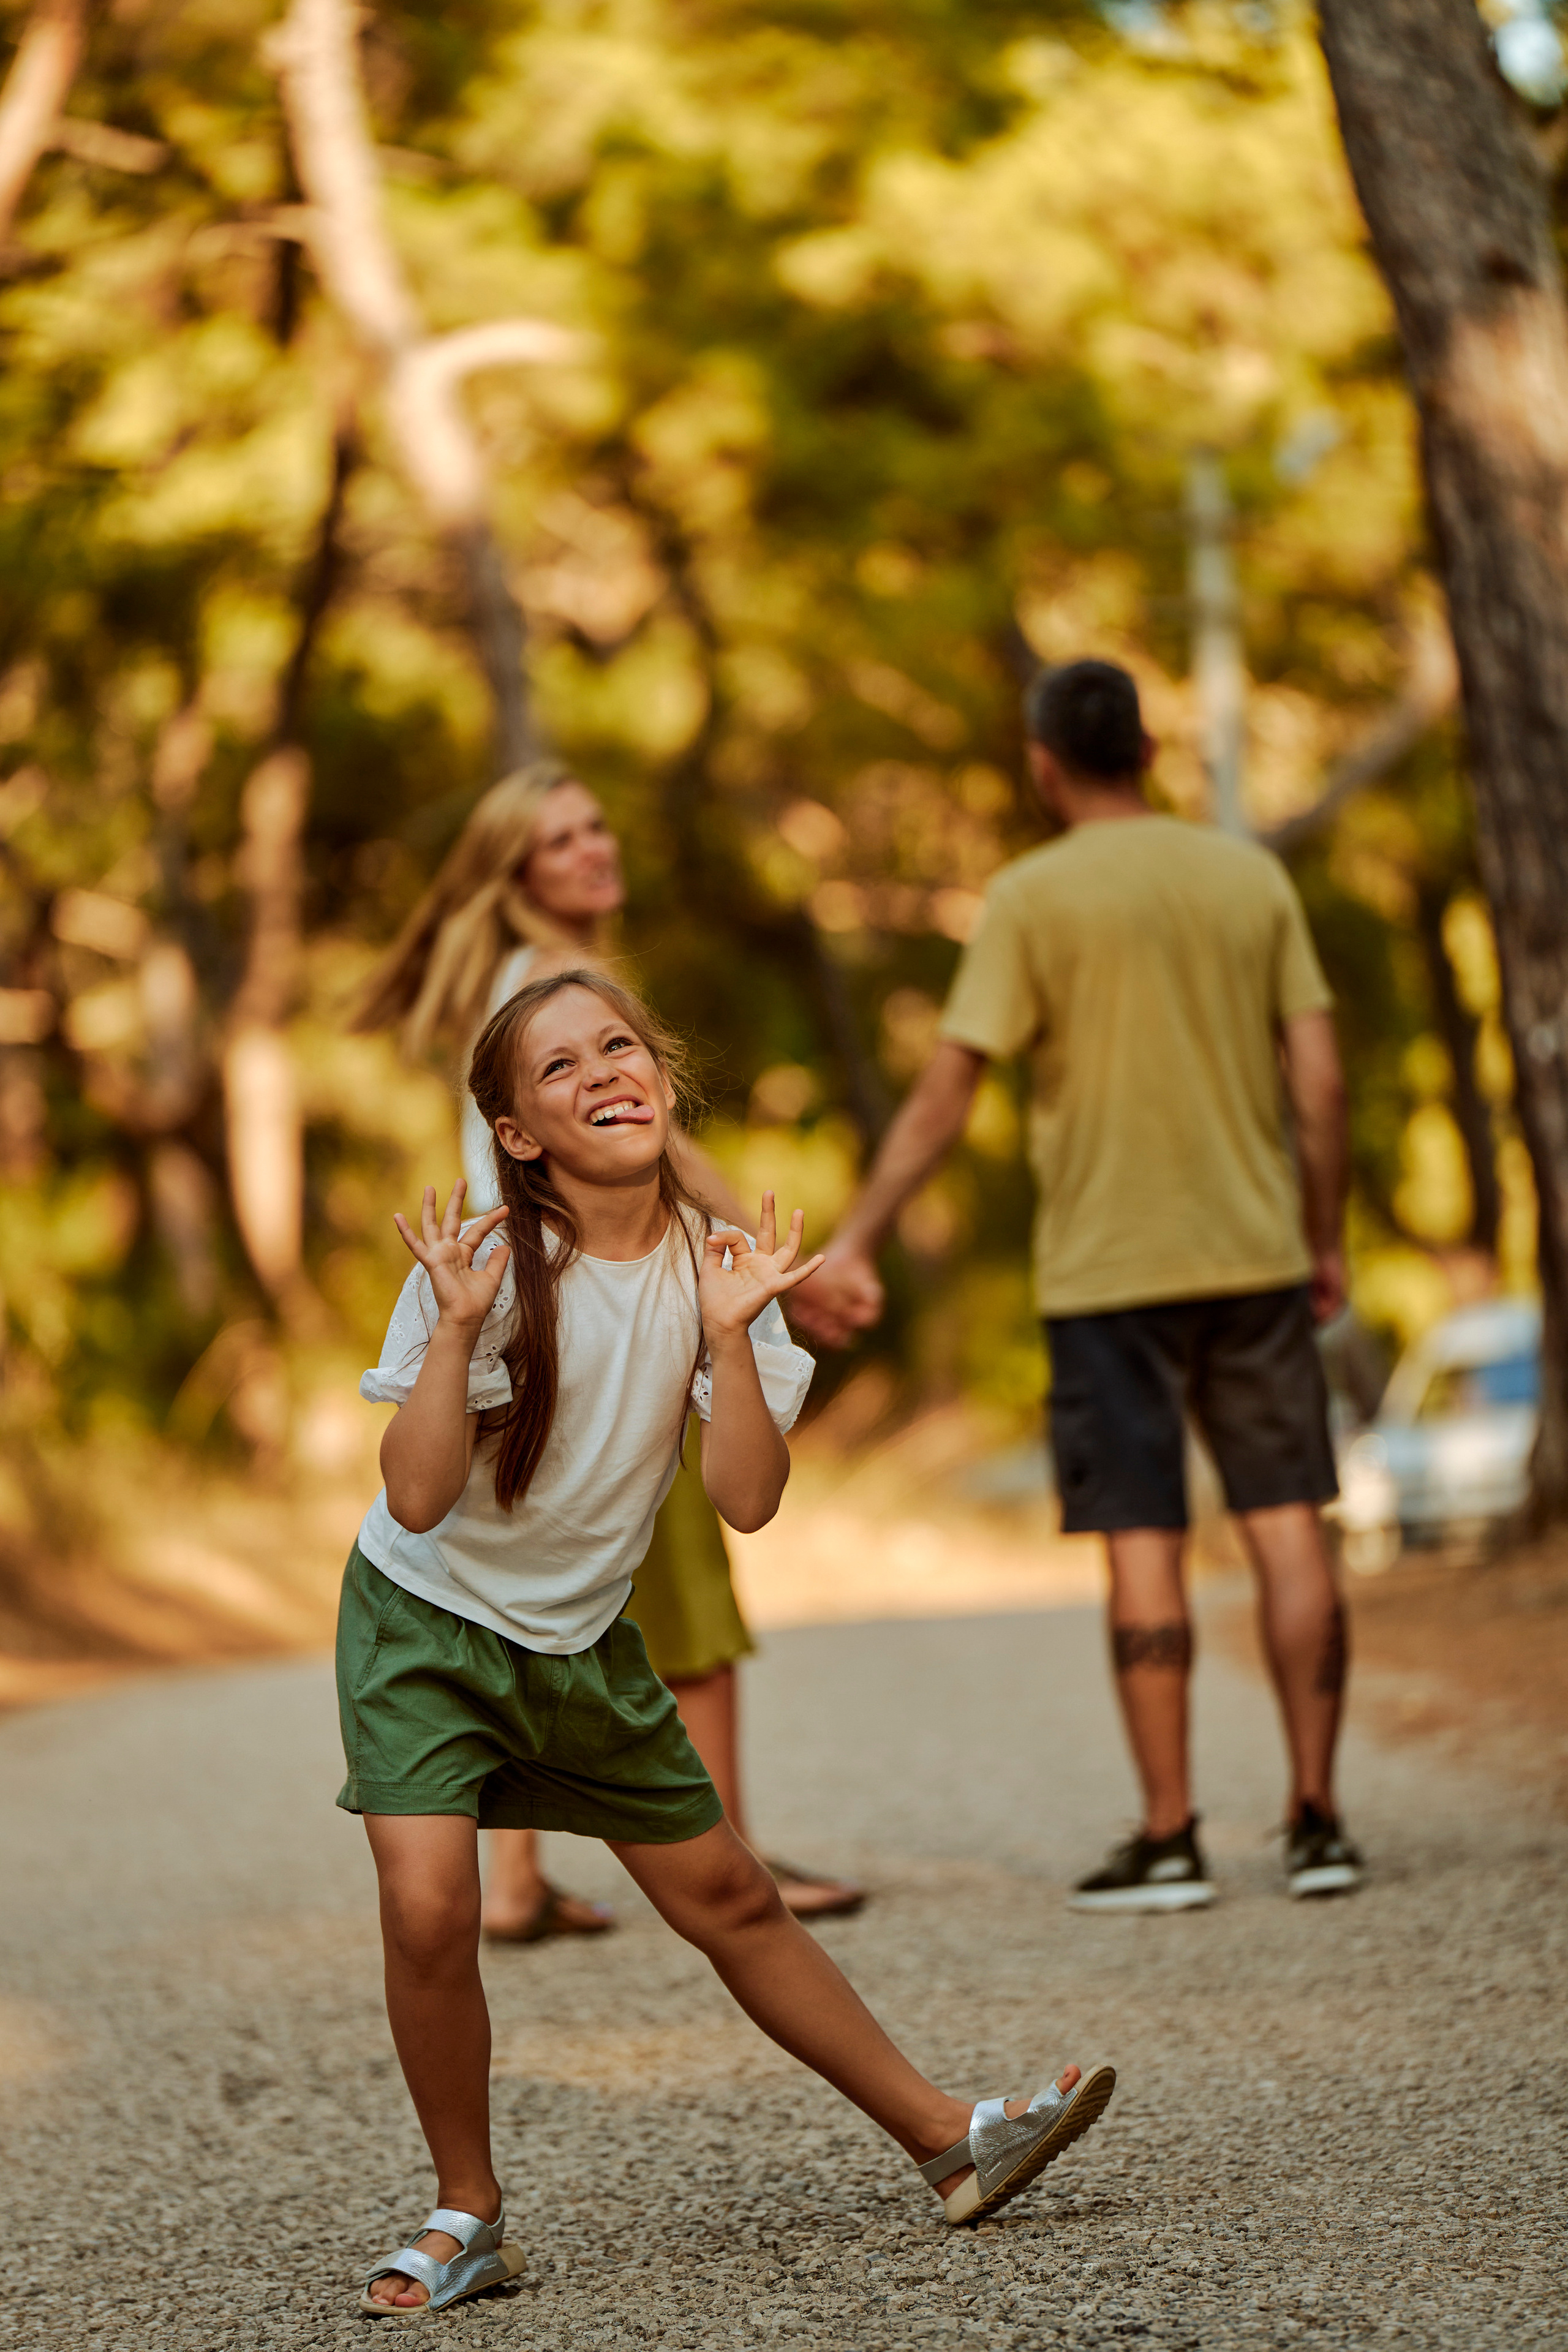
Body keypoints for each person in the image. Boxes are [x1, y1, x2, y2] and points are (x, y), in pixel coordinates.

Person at [341, 970, 1115, 2312]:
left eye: (619, 1048)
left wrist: (731, 1338)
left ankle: (948, 2140)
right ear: (517, 1133)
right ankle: (466, 2210)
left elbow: (746, 1501)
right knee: (428, 1908)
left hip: (579, 1643)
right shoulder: (480, 1270)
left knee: (731, 1898)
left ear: (662, 1076)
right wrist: (457, 1327)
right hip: (424, 1623)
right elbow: (416, 1496)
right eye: (561, 1070)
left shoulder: (719, 1268)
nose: (602, 1076)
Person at [791, 660, 1363, 1910]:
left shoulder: (1028, 899)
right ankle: (1317, 1822)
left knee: (1140, 1542)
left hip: (1105, 1277)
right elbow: (1317, 1086)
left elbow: (948, 1088)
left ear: (1045, 764)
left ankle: (1167, 1837)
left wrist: (859, 1235)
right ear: (1148, 754)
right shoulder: (1246, 876)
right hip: (1254, 1258)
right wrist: (1319, 1237)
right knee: (1285, 1524)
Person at [354, 763, 862, 1928]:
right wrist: (744, 1260)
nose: (595, 849)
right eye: (560, 840)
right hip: (591, 1293)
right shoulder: (553, 986)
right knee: (688, 1599)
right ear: (515, 875)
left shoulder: (525, 980)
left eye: (596, 825)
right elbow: (658, 1157)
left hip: (551, 1298)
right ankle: (735, 1861)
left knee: (529, 1572)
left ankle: (520, 1877)